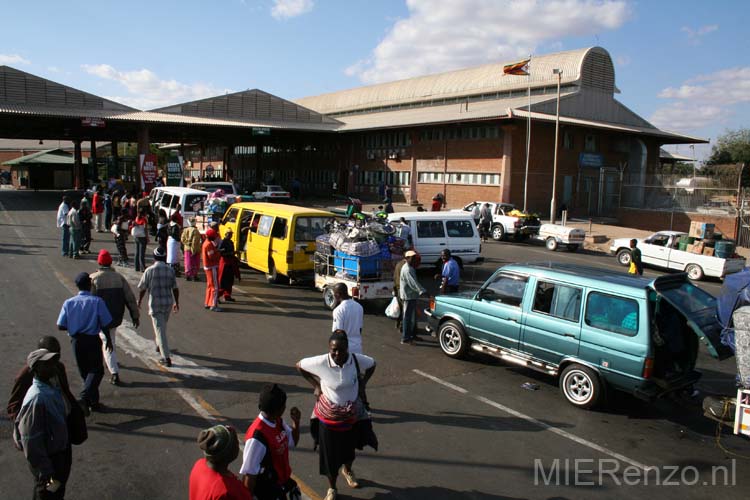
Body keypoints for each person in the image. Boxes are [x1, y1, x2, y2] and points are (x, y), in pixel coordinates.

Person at [297, 332, 376, 500]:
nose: (337, 354)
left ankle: (347, 470)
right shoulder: (321, 362)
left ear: (348, 348)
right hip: (329, 421)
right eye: (334, 350)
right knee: (330, 457)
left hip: (351, 418)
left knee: (349, 451)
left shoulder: (355, 360)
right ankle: (332, 488)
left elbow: (372, 364)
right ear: (329, 349)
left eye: (341, 350)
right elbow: (299, 365)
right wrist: (316, 385)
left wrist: (363, 384)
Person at [13, 349, 72, 500]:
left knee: (55, 493)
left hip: (58, 455)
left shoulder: (51, 387)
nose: (53, 366)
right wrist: (45, 470)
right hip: (49, 461)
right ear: (36, 369)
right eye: (47, 364)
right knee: (47, 494)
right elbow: (30, 440)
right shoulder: (37, 398)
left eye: (53, 362)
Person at [56, 272, 113, 412]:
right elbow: (105, 323)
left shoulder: (68, 303)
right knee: (97, 371)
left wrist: (74, 325)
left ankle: (93, 403)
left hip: (76, 340)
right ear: (89, 284)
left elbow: (60, 325)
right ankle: (83, 398)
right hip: (92, 339)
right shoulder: (97, 301)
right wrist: (109, 340)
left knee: (85, 373)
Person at [239, 384, 301, 499]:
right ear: (280, 409)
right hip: (268, 492)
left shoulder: (277, 421)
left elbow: (293, 441)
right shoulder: (257, 438)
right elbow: (249, 475)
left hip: (281, 484)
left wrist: (296, 423)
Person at [91, 249, 140, 386]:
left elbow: (89, 301)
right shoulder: (119, 278)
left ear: (99, 262)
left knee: (107, 342)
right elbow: (129, 298)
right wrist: (135, 315)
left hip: (100, 319)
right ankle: (110, 362)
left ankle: (114, 372)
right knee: (109, 339)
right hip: (116, 316)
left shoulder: (94, 278)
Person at [7, 337, 77, 423]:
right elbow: (13, 406)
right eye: (50, 355)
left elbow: (65, 392)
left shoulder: (59, 367)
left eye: (58, 353)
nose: (55, 359)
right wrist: (24, 424)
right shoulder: (26, 376)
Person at [138, 247, 180, 367]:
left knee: (160, 330)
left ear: (154, 257)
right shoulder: (170, 270)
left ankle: (166, 358)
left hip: (155, 303)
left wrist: (139, 301)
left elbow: (143, 288)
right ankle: (159, 346)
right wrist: (176, 302)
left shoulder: (149, 270)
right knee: (162, 326)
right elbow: (175, 288)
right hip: (167, 302)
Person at [189, 424, 250, 500]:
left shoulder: (199, 464)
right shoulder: (226, 491)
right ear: (228, 453)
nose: (237, 444)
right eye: (235, 442)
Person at [399, 250, 426, 345]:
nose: (414, 259)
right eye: (412, 258)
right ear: (407, 258)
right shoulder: (407, 269)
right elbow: (413, 284)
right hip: (408, 297)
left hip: (411, 296)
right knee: (407, 318)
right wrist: (423, 291)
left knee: (413, 317)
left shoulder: (411, 267)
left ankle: (412, 335)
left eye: (414, 258)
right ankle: (405, 338)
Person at [331, 283, 364, 354]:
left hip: (345, 350)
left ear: (338, 294)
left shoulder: (338, 310)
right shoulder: (359, 307)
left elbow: (337, 333)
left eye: (334, 294)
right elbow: (360, 329)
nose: (334, 296)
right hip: (358, 348)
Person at [203, 228, 222, 312]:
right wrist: (218, 253)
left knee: (209, 286)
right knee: (215, 287)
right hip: (211, 267)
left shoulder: (206, 243)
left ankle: (207, 302)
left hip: (208, 267)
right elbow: (212, 257)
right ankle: (213, 305)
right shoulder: (209, 245)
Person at [218, 229, 240, 302]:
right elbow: (220, 253)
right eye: (229, 234)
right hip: (224, 264)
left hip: (231, 263)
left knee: (230, 281)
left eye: (231, 234)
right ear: (226, 234)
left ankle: (227, 295)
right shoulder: (222, 242)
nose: (230, 235)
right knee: (223, 282)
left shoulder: (231, 242)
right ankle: (217, 296)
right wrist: (230, 253)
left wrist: (234, 253)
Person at [182, 217, 203, 281]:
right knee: (195, 263)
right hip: (195, 250)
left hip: (187, 249)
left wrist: (187, 243)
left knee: (187, 262)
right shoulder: (195, 230)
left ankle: (188, 275)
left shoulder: (185, 230)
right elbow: (194, 242)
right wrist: (193, 250)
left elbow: (182, 239)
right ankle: (194, 276)